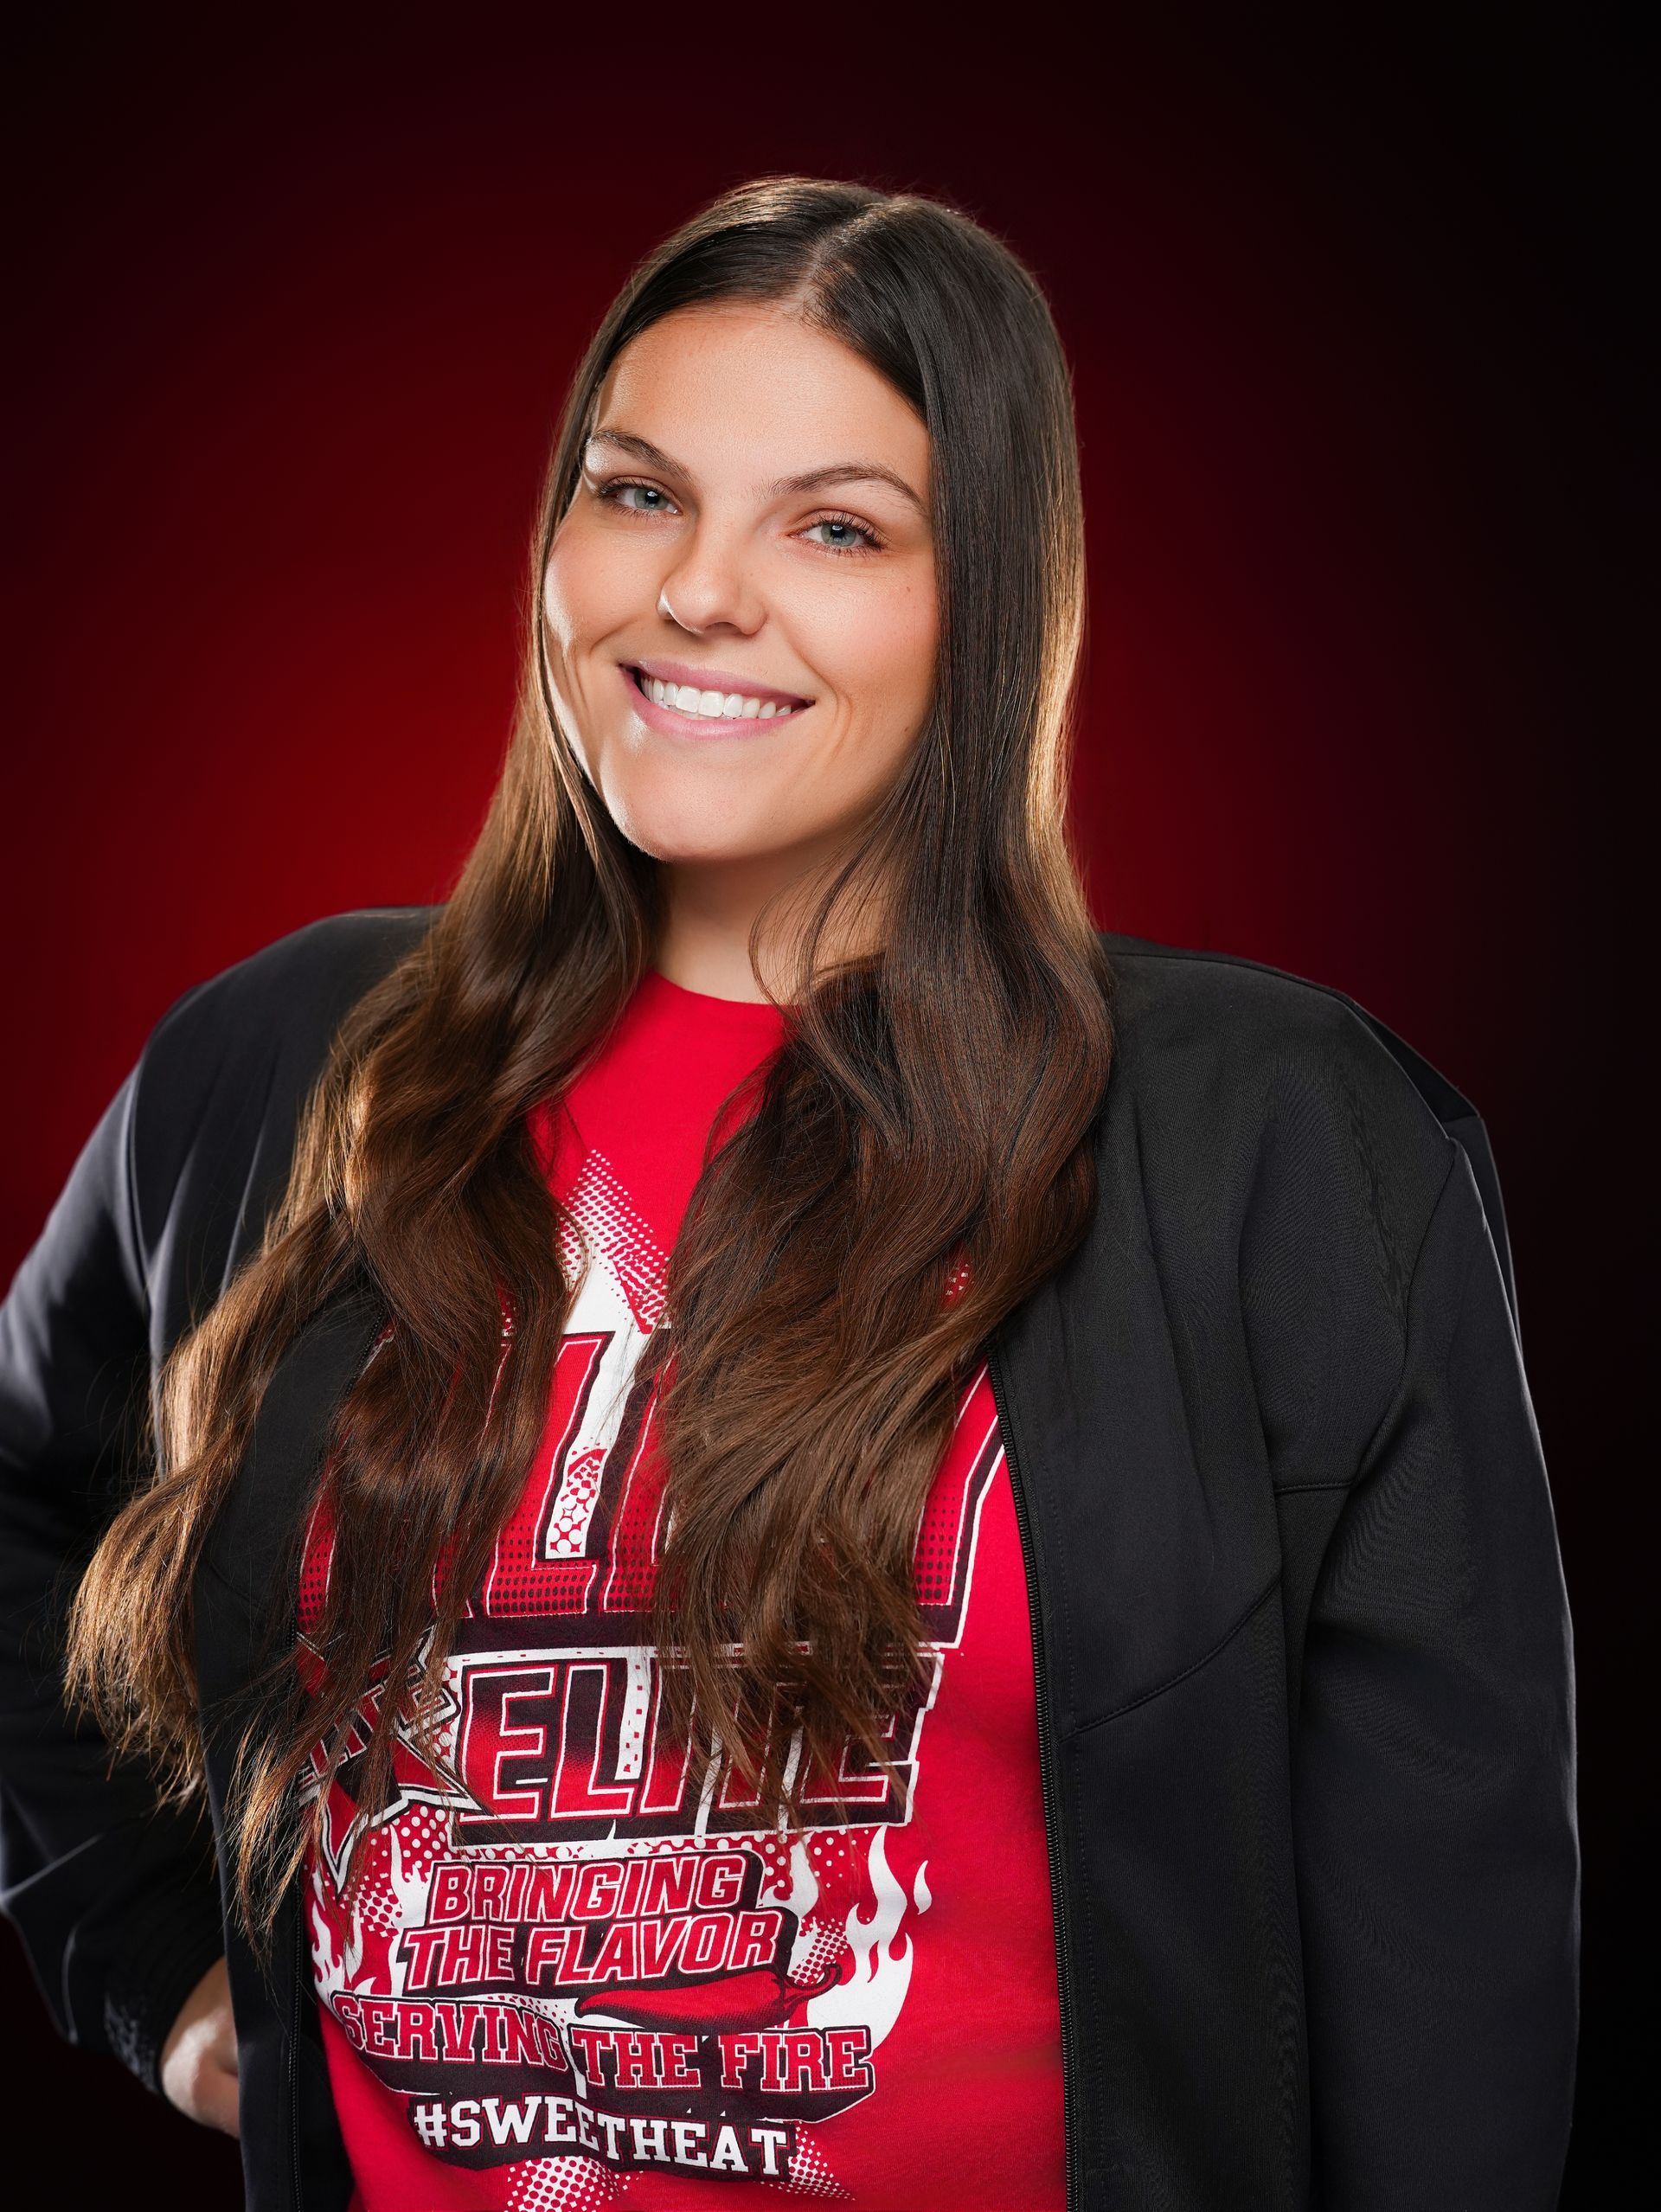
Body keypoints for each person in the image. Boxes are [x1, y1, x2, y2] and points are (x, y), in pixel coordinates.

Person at [0, 176, 1577, 2212]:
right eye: (638, 494)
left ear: (985, 602)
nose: (700, 595)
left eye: (835, 527)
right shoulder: (288, 1066)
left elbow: (1446, 1961)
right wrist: (159, 1972)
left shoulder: (1273, 1141)